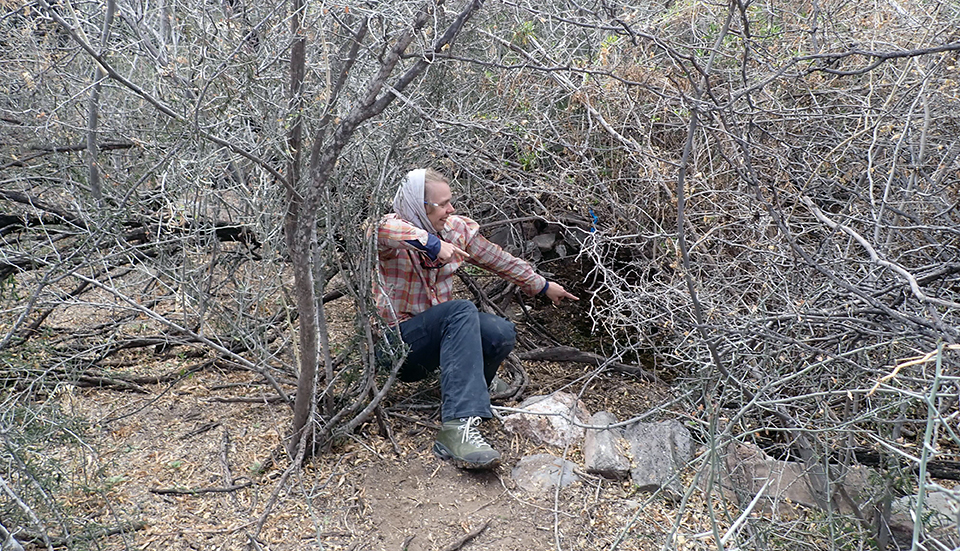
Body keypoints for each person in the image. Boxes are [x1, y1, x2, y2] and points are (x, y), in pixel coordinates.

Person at [375, 168, 579, 470]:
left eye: (450, 201)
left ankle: (470, 389)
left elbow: (497, 258)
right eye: (442, 204)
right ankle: (456, 429)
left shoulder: (454, 229)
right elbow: (382, 231)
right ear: (420, 206)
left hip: (434, 343)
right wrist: (432, 244)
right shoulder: (392, 231)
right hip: (397, 348)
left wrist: (542, 285)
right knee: (460, 311)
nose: (451, 209)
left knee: (501, 332)